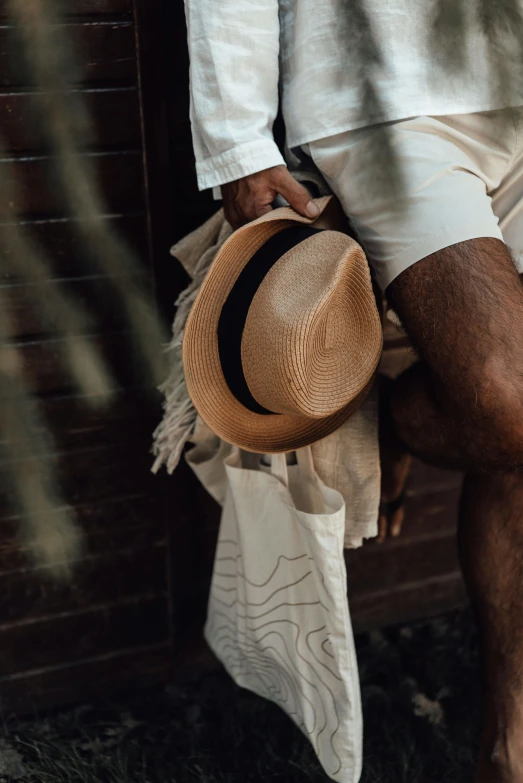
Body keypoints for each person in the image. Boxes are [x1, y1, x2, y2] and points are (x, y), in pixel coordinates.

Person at [182, 2, 523, 780]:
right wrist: (237, 141)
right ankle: (391, 423)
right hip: (386, 96)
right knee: (504, 405)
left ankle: (509, 742)